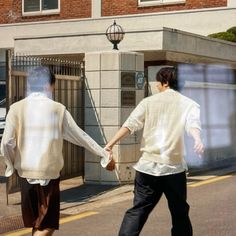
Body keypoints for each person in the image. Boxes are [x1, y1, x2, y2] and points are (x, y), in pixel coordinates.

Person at [0, 66, 113, 236]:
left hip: (24, 173)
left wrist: (10, 165)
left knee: (36, 223)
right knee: (48, 225)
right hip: (49, 173)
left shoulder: (16, 108)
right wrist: (104, 155)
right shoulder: (57, 109)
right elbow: (80, 136)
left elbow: (7, 143)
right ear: (48, 86)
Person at [106, 67, 204, 236]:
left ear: (165, 82)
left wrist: (111, 144)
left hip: (147, 167)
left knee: (138, 210)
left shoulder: (148, 102)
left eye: (158, 81)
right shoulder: (189, 104)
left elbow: (130, 125)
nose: (157, 85)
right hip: (173, 168)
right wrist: (197, 139)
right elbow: (193, 125)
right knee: (179, 212)